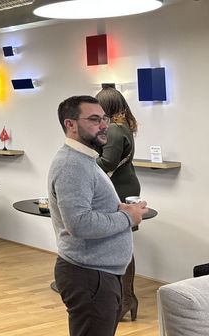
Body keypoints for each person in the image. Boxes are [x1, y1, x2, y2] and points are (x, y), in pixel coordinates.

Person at [49, 95, 149, 336]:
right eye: (94, 119)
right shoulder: (72, 165)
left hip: (99, 274)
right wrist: (128, 218)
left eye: (104, 118)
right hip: (89, 275)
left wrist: (119, 209)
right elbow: (80, 224)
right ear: (70, 124)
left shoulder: (85, 160)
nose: (104, 125)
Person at [95, 87, 141, 322]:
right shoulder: (125, 126)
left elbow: (107, 162)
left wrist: (82, 159)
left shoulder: (113, 129)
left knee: (121, 244)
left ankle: (126, 298)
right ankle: (125, 298)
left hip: (118, 190)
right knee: (122, 243)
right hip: (125, 185)